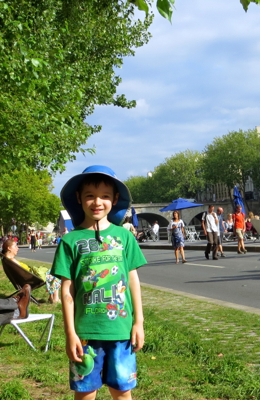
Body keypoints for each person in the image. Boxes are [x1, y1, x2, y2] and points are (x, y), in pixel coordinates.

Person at [52, 165, 147, 399]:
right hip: (85, 333)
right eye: (90, 196)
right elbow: (67, 290)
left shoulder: (124, 236)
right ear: (79, 198)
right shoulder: (70, 241)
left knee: (122, 392)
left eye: (105, 196)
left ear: (115, 199)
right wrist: (70, 334)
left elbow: (133, 280)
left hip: (121, 331)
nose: (97, 202)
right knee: (85, 394)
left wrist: (139, 322)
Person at [1, 238, 61, 304]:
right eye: (15, 246)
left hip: (27, 276)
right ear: (9, 248)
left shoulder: (8, 260)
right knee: (55, 273)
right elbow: (23, 272)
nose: (17, 248)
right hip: (30, 277)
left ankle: (51, 297)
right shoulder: (12, 260)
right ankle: (55, 298)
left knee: (51, 273)